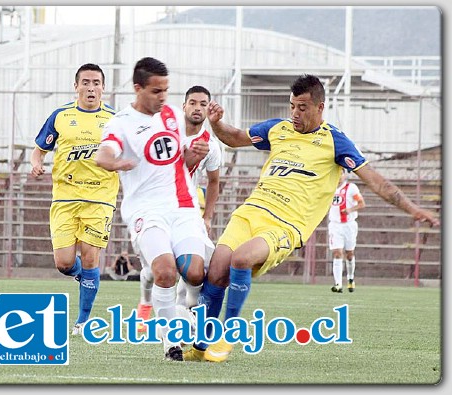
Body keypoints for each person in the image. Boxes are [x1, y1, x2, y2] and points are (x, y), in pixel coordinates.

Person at [183, 74, 440, 363]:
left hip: (286, 225)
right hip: (250, 212)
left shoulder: (335, 142)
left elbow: (378, 182)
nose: (295, 113)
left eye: (302, 107)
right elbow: (233, 138)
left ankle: (228, 336)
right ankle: (200, 345)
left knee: (241, 259)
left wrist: (413, 210)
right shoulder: (277, 129)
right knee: (216, 270)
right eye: (292, 105)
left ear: (320, 107)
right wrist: (216, 123)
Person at [95, 57, 210, 361]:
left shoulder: (171, 115)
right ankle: (170, 341)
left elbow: (178, 159)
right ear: (138, 88)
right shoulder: (121, 122)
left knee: (195, 272)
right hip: (146, 209)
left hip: (183, 205)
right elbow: (103, 154)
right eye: (156, 91)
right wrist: (115, 162)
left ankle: (187, 313)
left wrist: (192, 152)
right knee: (166, 273)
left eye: (166, 90)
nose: (163, 97)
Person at [30, 63, 119, 335]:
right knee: (64, 263)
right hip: (64, 199)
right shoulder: (60, 116)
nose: (91, 88)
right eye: (85, 82)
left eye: (96, 83)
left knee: (91, 257)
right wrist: (36, 163)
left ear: (103, 87)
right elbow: (39, 150)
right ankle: (84, 278)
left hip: (100, 198)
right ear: (76, 86)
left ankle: (82, 321)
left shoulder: (116, 119)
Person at [135, 85, 221, 326]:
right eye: (192, 102)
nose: (197, 108)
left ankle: (184, 314)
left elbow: (214, 182)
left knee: (196, 269)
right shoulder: (165, 131)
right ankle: (145, 301)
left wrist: (208, 217)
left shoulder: (211, 145)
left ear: (208, 108)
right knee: (158, 269)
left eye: (203, 104)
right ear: (184, 106)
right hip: (155, 209)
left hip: (186, 212)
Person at [329, 169, 366, 293]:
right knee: (337, 253)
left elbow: (361, 204)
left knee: (349, 254)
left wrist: (350, 210)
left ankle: (350, 278)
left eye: (341, 174)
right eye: (337, 174)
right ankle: (338, 284)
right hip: (335, 225)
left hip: (349, 225)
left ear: (345, 175)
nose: (339, 176)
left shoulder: (351, 188)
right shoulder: (328, 188)